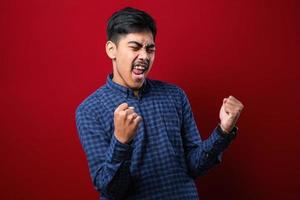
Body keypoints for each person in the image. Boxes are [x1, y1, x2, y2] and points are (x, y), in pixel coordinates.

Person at [75, 7, 244, 200]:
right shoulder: (89, 110)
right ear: (111, 50)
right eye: (135, 47)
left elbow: (195, 166)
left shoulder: (175, 96)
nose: (145, 56)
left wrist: (223, 131)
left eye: (150, 49)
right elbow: (111, 190)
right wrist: (121, 142)